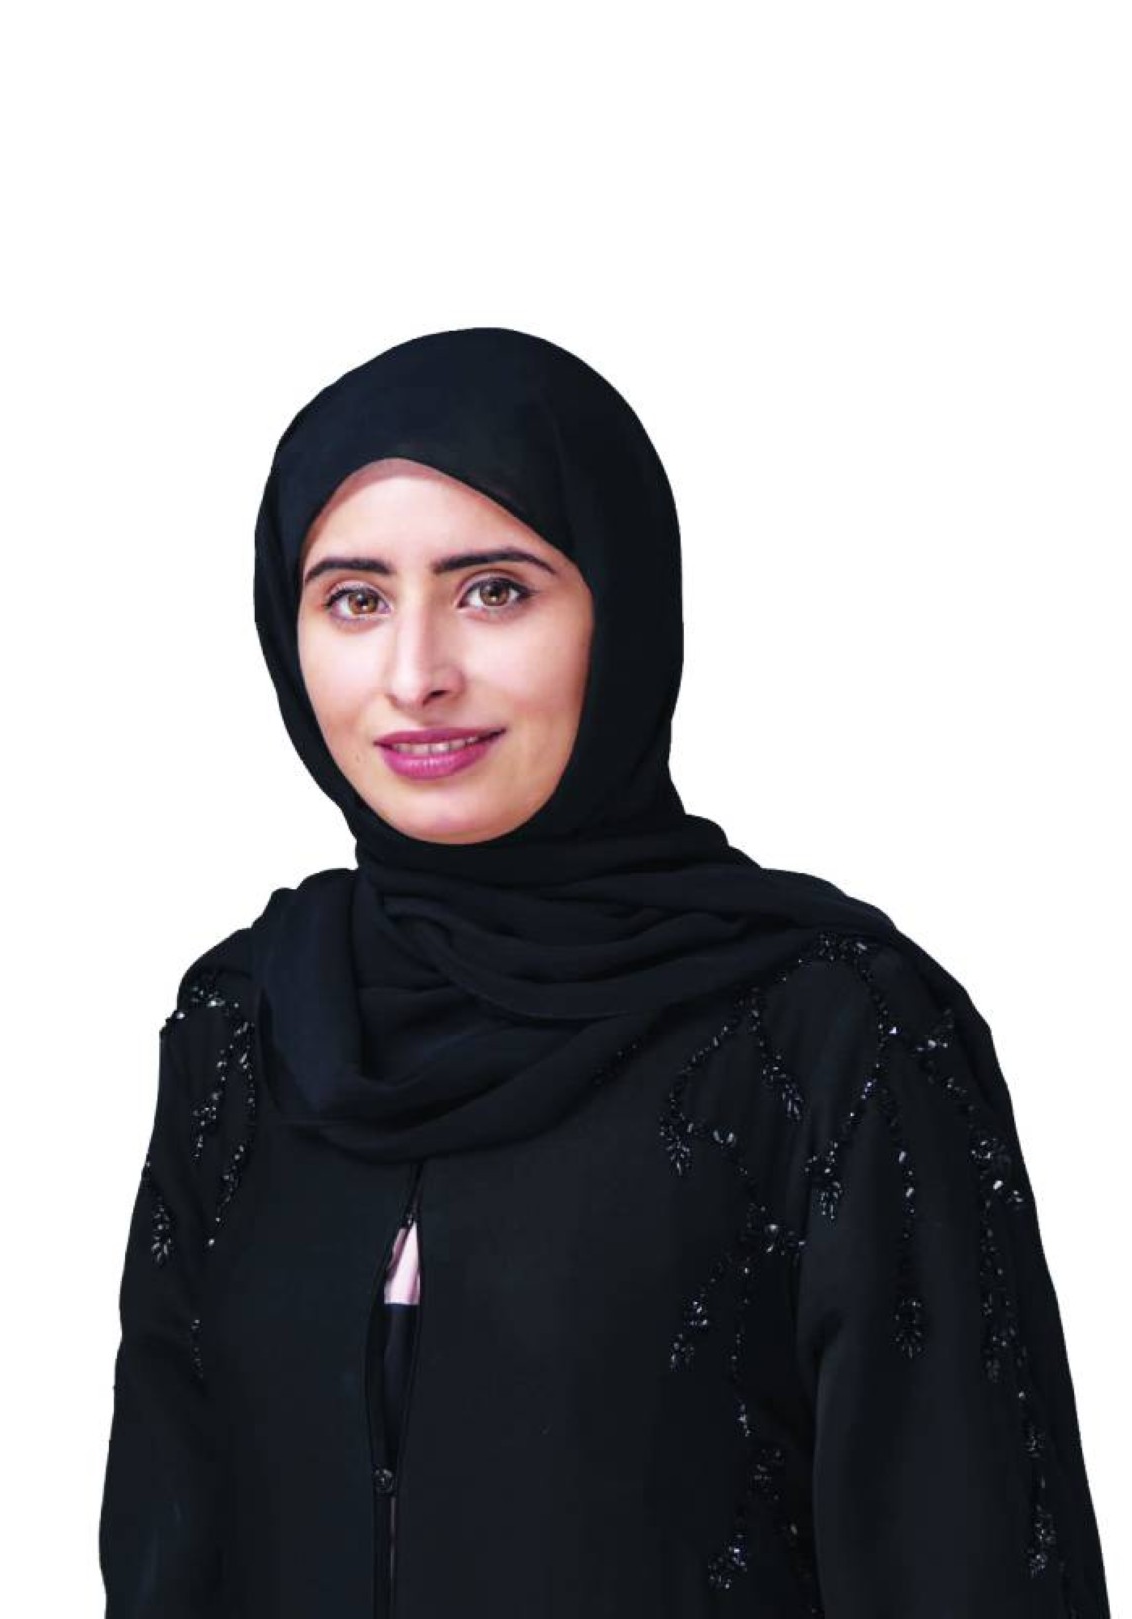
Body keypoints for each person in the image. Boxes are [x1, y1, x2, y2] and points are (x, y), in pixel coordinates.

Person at [98, 326, 1111, 1618]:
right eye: (355, 599)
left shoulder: (829, 1032)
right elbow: (166, 1542)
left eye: (494, 590)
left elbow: (967, 1565)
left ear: (620, 610)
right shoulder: (250, 1025)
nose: (416, 675)